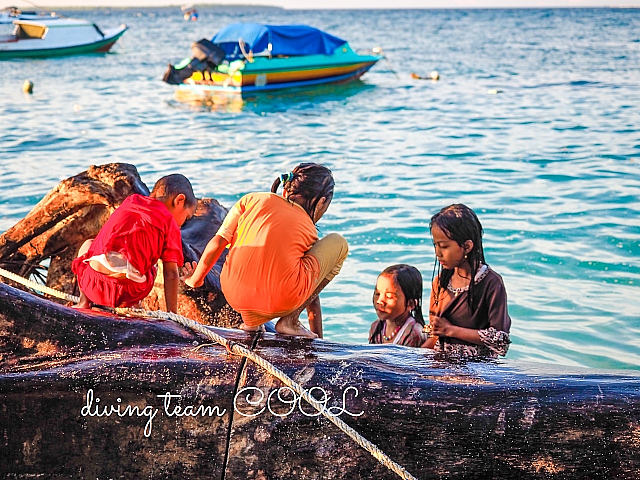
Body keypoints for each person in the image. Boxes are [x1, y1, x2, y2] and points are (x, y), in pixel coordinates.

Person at [184, 163, 348, 339]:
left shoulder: (250, 200)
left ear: (286, 189)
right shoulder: (307, 227)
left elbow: (217, 242)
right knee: (339, 243)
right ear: (322, 201)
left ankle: (251, 323)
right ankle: (289, 321)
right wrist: (319, 339)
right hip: (281, 301)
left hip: (234, 295)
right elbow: (310, 291)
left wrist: (196, 279)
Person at [72, 174, 197, 313]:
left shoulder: (131, 201)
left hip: (92, 286)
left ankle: (84, 301)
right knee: (151, 263)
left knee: (89, 244)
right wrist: (172, 315)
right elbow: (171, 274)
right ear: (179, 200)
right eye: (186, 217)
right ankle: (134, 306)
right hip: (127, 293)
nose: (183, 223)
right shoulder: (169, 222)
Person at [421, 204, 511, 357]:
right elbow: (436, 336)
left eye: (444, 246)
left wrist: (452, 330)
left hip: (477, 370)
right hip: (441, 364)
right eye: (435, 245)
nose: (438, 253)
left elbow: (500, 341)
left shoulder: (491, 283)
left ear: (467, 246)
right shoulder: (440, 282)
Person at [369, 264, 427, 348]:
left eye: (389, 296)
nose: (380, 301)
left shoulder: (414, 333)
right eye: (377, 293)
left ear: (411, 304)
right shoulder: (376, 327)